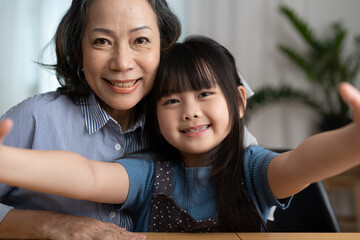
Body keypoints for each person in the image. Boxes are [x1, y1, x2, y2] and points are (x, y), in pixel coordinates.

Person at [1, 35, 360, 233]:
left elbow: (302, 163)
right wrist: (8, 160)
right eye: (172, 100)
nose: (189, 111)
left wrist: (352, 141)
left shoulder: (253, 170)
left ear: (238, 101)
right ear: (154, 114)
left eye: (205, 94)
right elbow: (86, 174)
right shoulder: (148, 174)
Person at [0, 0, 181, 239]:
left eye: (140, 40)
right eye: (102, 41)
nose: (122, 63)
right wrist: (44, 225)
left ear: (164, 46)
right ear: (79, 50)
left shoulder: (179, 124)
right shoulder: (35, 117)